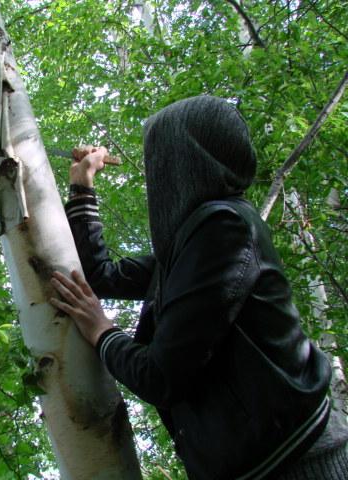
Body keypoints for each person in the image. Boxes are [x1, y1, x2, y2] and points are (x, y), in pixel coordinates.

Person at [49, 96, 348, 479]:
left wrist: (101, 330)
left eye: (160, 160)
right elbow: (101, 276)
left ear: (184, 162)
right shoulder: (191, 244)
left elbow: (160, 376)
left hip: (301, 467)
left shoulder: (224, 228)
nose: (154, 177)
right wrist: (82, 186)